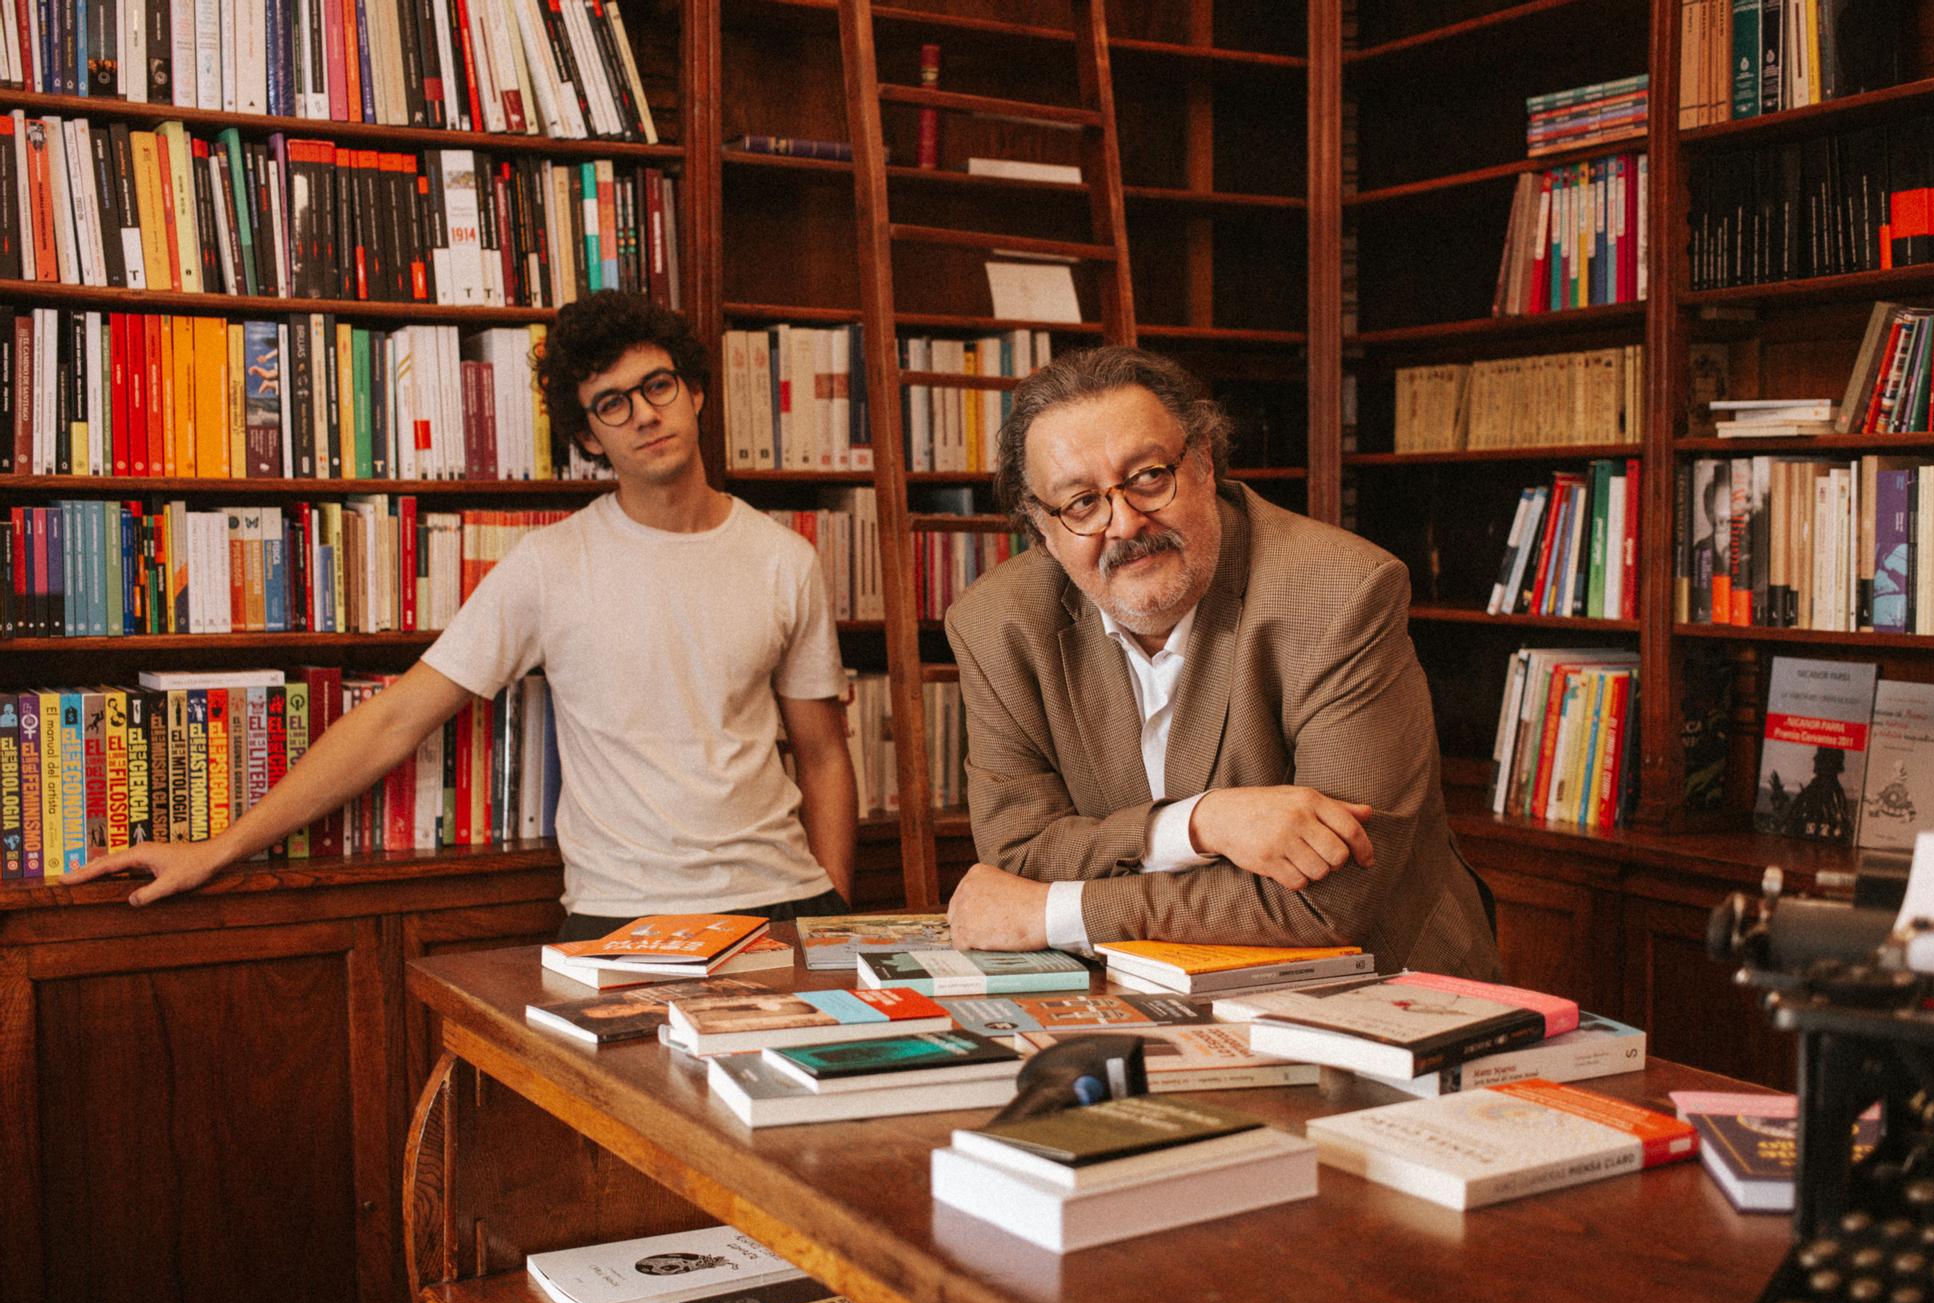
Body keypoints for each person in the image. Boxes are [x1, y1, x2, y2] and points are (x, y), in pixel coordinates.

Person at [68, 292, 858, 939]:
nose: (645, 415)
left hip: (784, 907)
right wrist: (217, 848)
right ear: (588, 436)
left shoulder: (783, 559)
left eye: (657, 386)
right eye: (612, 405)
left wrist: (834, 921)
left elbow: (822, 757)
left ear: (693, 390)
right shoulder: (550, 566)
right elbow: (394, 720)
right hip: (627, 918)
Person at [942, 346, 1499, 978]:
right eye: (1081, 503)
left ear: (1204, 461)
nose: (1124, 523)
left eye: (1149, 476)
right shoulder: (997, 624)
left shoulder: (1342, 593)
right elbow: (1018, 855)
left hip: (1381, 997)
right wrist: (1199, 824)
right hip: (1143, 999)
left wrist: (1052, 912)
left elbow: (1330, 903)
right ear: (1042, 527)